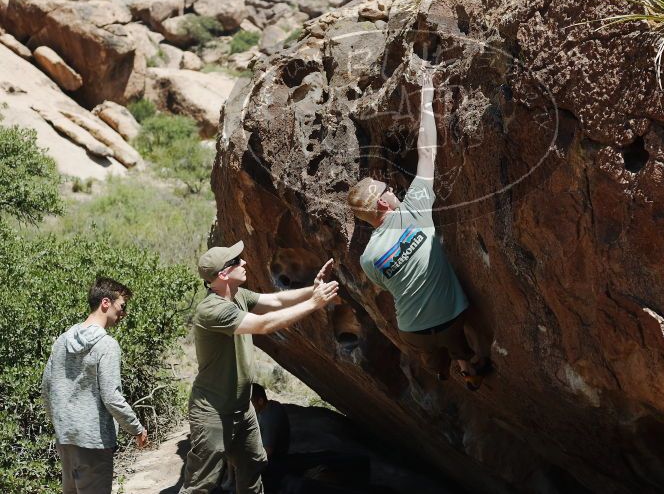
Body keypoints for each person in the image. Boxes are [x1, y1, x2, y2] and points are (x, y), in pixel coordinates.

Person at [347, 66, 490, 390]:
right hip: (451, 318)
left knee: (432, 352)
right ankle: (469, 369)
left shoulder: (368, 258)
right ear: (382, 204)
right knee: (461, 344)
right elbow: (428, 151)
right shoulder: (414, 210)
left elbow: (388, 287)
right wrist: (427, 96)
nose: (394, 191)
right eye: (387, 191)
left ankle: (441, 370)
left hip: (411, 330)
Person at [179, 241, 339, 494]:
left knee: (252, 469)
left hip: (242, 409)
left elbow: (274, 301)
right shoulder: (213, 310)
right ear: (222, 275)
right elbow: (264, 325)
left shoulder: (238, 295)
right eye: (236, 262)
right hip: (213, 411)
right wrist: (313, 303)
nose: (244, 263)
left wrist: (312, 290)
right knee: (200, 485)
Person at [41, 277, 148, 494]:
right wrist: (136, 428)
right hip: (94, 443)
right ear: (106, 303)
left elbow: (46, 389)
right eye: (122, 306)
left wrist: (62, 425)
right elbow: (111, 397)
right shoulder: (107, 345)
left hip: (66, 440)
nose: (124, 313)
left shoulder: (62, 341)